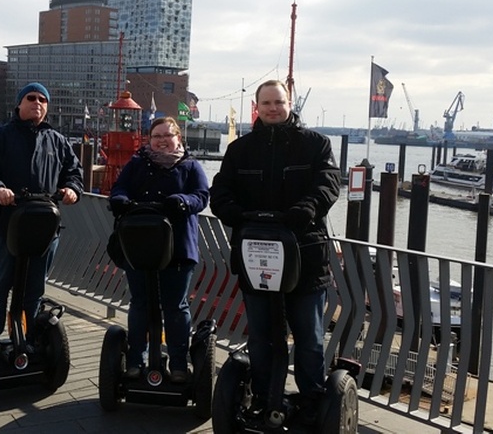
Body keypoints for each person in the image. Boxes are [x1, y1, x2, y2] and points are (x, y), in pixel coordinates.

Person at [209, 79, 340, 416]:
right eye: (266, 103)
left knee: (309, 339)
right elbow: (221, 190)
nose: (272, 108)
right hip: (256, 258)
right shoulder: (240, 149)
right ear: (257, 106)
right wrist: (233, 214)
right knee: (262, 337)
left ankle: (312, 402)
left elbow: (327, 184)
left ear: (289, 102)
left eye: (278, 102)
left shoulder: (315, 144)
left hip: (305, 257)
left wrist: (306, 210)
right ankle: (265, 397)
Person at [0, 82, 83, 350]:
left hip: (44, 228)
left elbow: (75, 173)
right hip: (7, 225)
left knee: (35, 290)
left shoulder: (57, 141)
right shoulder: (0, 137)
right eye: (31, 98)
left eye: (43, 99)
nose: (37, 103)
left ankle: (30, 341)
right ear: (19, 104)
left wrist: (72, 190)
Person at [109, 116, 209, 383]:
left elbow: (202, 195)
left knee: (176, 306)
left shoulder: (190, 166)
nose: (163, 140)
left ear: (178, 138)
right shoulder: (138, 163)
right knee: (140, 304)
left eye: (168, 135)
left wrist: (183, 201)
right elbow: (119, 187)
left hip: (178, 247)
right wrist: (119, 200)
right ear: (149, 140)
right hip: (139, 245)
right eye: (157, 136)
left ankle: (178, 364)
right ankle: (135, 361)